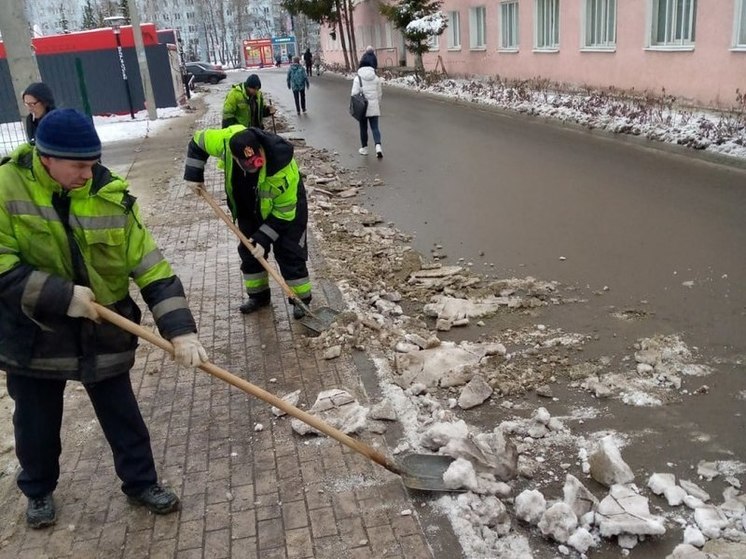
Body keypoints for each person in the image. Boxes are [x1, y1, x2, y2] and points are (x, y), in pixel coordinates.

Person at [0, 108, 209, 529]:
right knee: (36, 421)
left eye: (92, 163)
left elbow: (152, 268)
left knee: (122, 414)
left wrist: (181, 330)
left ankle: (140, 483)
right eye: (78, 165)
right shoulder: (5, 189)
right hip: (35, 331)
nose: (87, 173)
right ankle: (38, 490)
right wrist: (60, 296)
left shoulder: (110, 195)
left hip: (103, 326)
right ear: (47, 157)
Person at [183, 126, 312, 318]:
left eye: (256, 162)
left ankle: (301, 301)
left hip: (287, 210)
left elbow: (284, 213)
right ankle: (258, 296)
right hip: (247, 206)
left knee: (290, 253)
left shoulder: (282, 167)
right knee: (249, 251)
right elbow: (197, 141)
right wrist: (194, 174)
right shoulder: (225, 142)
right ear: (234, 157)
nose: (254, 167)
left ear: (260, 149)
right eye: (248, 165)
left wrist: (263, 238)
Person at [352, 54, 383, 158]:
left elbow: (353, 94)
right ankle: (378, 146)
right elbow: (379, 94)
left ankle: (364, 148)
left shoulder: (358, 79)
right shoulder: (376, 78)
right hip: (374, 106)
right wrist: (377, 103)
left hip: (362, 108)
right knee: (375, 128)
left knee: (363, 128)